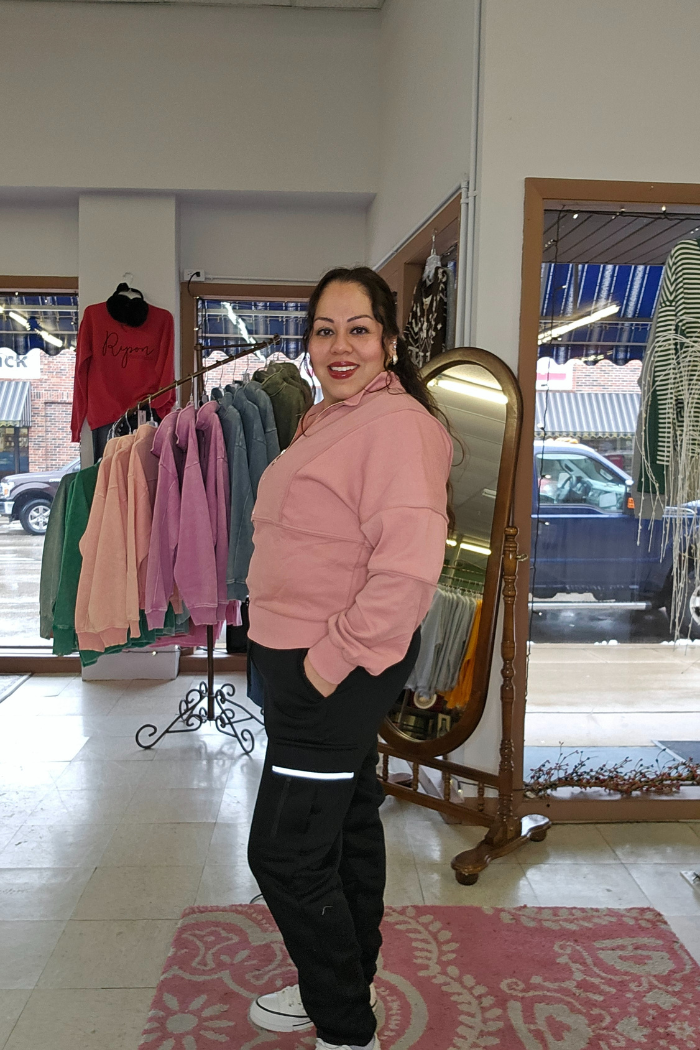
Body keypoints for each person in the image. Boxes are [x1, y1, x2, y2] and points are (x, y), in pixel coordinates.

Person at [246, 266, 454, 1050]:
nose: (340, 345)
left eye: (358, 329)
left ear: (390, 343)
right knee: (346, 828)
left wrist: (324, 670)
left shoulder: (394, 426)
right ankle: (344, 983)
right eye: (325, 330)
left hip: (328, 672)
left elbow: (405, 572)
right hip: (301, 660)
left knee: (285, 853)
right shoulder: (331, 417)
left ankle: (342, 1024)